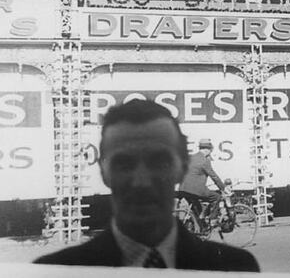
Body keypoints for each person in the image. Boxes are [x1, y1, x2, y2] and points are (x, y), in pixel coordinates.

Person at [34, 99, 259, 271]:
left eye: (159, 162)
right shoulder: (57, 270)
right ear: (103, 171)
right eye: (124, 164)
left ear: (181, 167)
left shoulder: (237, 268)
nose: (142, 182)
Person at [179, 138, 227, 223]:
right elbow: (214, 176)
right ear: (207, 149)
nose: (211, 152)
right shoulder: (205, 161)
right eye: (211, 150)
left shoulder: (191, 158)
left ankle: (199, 227)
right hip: (196, 190)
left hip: (183, 189)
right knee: (216, 197)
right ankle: (213, 219)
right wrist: (223, 188)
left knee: (198, 209)